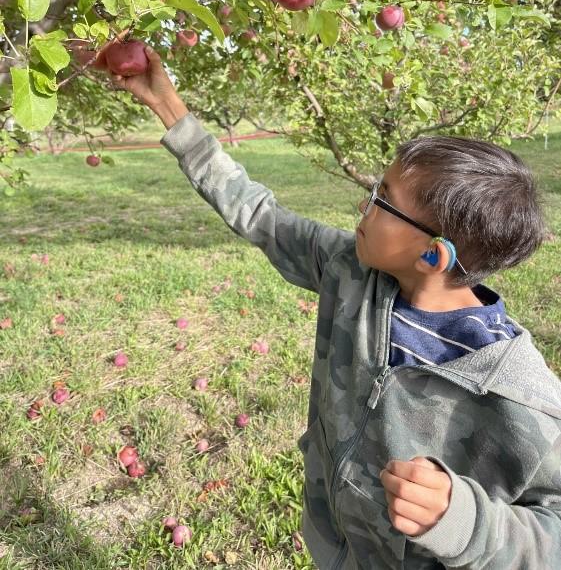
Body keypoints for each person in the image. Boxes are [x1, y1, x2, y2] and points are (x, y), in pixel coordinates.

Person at [99, 46, 561, 569]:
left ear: (432, 254)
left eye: (381, 200)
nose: (362, 206)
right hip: (335, 544)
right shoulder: (353, 272)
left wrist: (467, 522)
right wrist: (169, 108)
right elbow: (258, 213)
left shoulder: (518, 394)